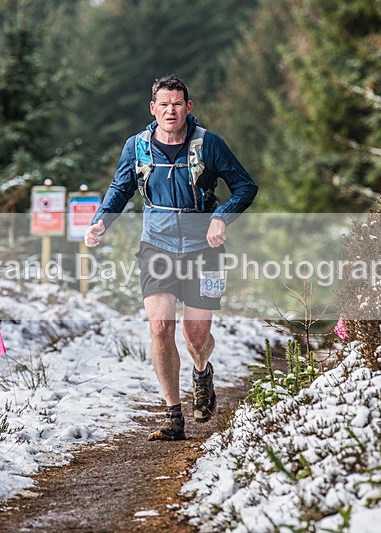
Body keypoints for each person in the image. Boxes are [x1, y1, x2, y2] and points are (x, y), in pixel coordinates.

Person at [84, 75, 257, 441]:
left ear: (188, 107)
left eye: (177, 104)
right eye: (164, 104)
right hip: (157, 247)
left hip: (203, 250)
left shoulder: (208, 144)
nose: (171, 110)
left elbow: (245, 186)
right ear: (153, 108)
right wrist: (101, 222)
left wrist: (220, 217)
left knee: (196, 335)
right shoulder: (138, 146)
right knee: (160, 328)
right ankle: (172, 413)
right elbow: (120, 189)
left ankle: (201, 370)